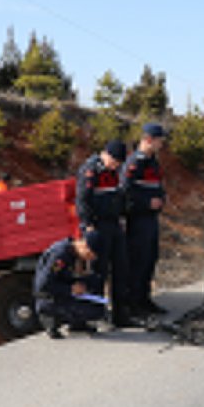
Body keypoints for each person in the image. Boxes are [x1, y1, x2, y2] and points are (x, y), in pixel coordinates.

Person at [75, 139, 132, 326]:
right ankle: (96, 315)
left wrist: (121, 217)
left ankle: (120, 316)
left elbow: (118, 197)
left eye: (118, 163)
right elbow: (82, 200)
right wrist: (88, 225)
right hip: (97, 227)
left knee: (121, 270)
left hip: (114, 225)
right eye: (114, 161)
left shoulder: (113, 172)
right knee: (98, 273)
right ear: (106, 154)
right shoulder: (90, 170)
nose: (116, 166)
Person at [121, 122, 168, 315]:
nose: (161, 145)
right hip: (138, 219)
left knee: (150, 258)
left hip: (151, 219)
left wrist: (162, 198)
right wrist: (147, 203)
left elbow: (157, 186)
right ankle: (134, 303)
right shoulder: (134, 163)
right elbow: (125, 190)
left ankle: (145, 299)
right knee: (138, 260)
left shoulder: (153, 162)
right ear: (148, 140)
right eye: (159, 141)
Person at [33, 233, 106, 339]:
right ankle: (50, 318)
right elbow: (43, 285)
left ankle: (77, 323)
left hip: (61, 291)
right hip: (48, 298)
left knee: (94, 281)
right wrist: (70, 289)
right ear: (84, 245)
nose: (89, 259)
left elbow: (63, 277)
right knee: (95, 311)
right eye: (89, 255)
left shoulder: (71, 251)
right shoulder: (60, 256)